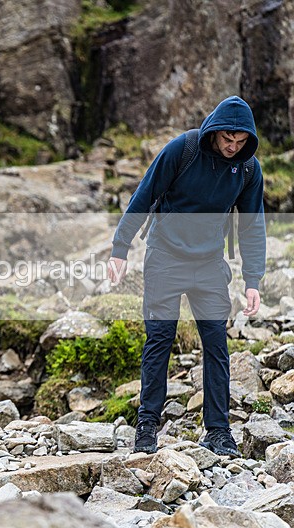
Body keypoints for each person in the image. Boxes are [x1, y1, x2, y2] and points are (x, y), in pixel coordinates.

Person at [108, 95, 266, 457]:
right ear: (214, 130)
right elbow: (144, 194)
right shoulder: (184, 149)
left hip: (210, 263)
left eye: (241, 142)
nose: (232, 147)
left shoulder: (247, 169)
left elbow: (252, 226)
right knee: (160, 339)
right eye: (228, 138)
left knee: (216, 344)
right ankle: (147, 426)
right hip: (165, 257)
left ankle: (218, 431)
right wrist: (120, 248)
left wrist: (253, 279)